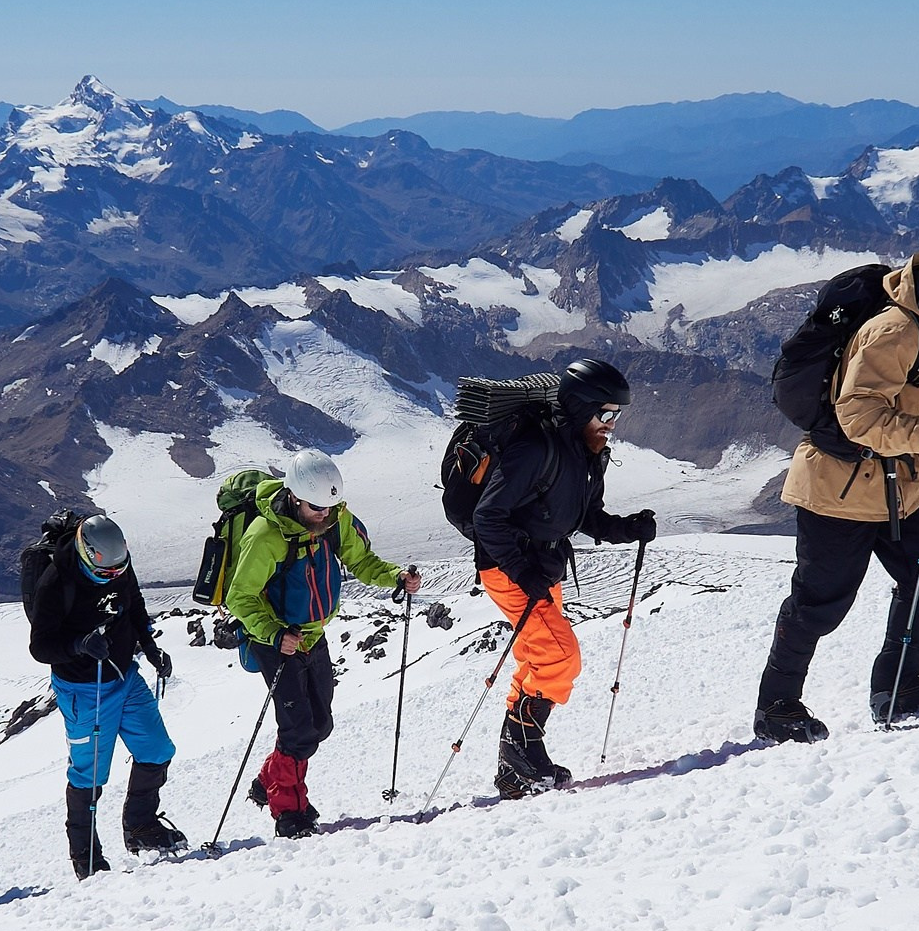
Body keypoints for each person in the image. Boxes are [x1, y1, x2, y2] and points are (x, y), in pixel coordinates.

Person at [753, 223, 919, 742]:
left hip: (903, 487)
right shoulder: (898, 331)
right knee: (819, 604)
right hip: (840, 491)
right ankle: (776, 708)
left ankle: (899, 686)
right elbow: (855, 416)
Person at [469, 356, 657, 795]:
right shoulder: (536, 450)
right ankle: (521, 752)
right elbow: (488, 517)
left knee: (539, 658)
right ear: (579, 408)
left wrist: (626, 528)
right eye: (605, 413)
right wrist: (521, 572)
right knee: (560, 656)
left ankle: (515, 765)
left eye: (617, 415)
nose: (611, 423)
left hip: (541, 568)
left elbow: (585, 516)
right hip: (508, 567)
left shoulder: (588, 454)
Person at [223, 449, 423, 836]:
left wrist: (395, 576)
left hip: (312, 635)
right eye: (317, 507)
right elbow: (239, 596)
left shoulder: (333, 520)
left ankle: (269, 781)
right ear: (295, 497)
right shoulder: (265, 536)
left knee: (320, 724)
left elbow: (361, 561)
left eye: (331, 506)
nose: (325, 515)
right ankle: (290, 814)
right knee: (298, 730)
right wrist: (274, 634)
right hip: (276, 640)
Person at [25, 513, 185, 874]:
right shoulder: (56, 584)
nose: (114, 576)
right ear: (86, 553)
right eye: (105, 572)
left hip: (124, 676)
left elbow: (134, 607)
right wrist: (79, 645)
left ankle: (140, 827)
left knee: (157, 749)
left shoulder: (116, 566)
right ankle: (86, 857)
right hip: (84, 689)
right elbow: (41, 647)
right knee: (88, 774)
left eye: (118, 569)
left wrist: (150, 647)